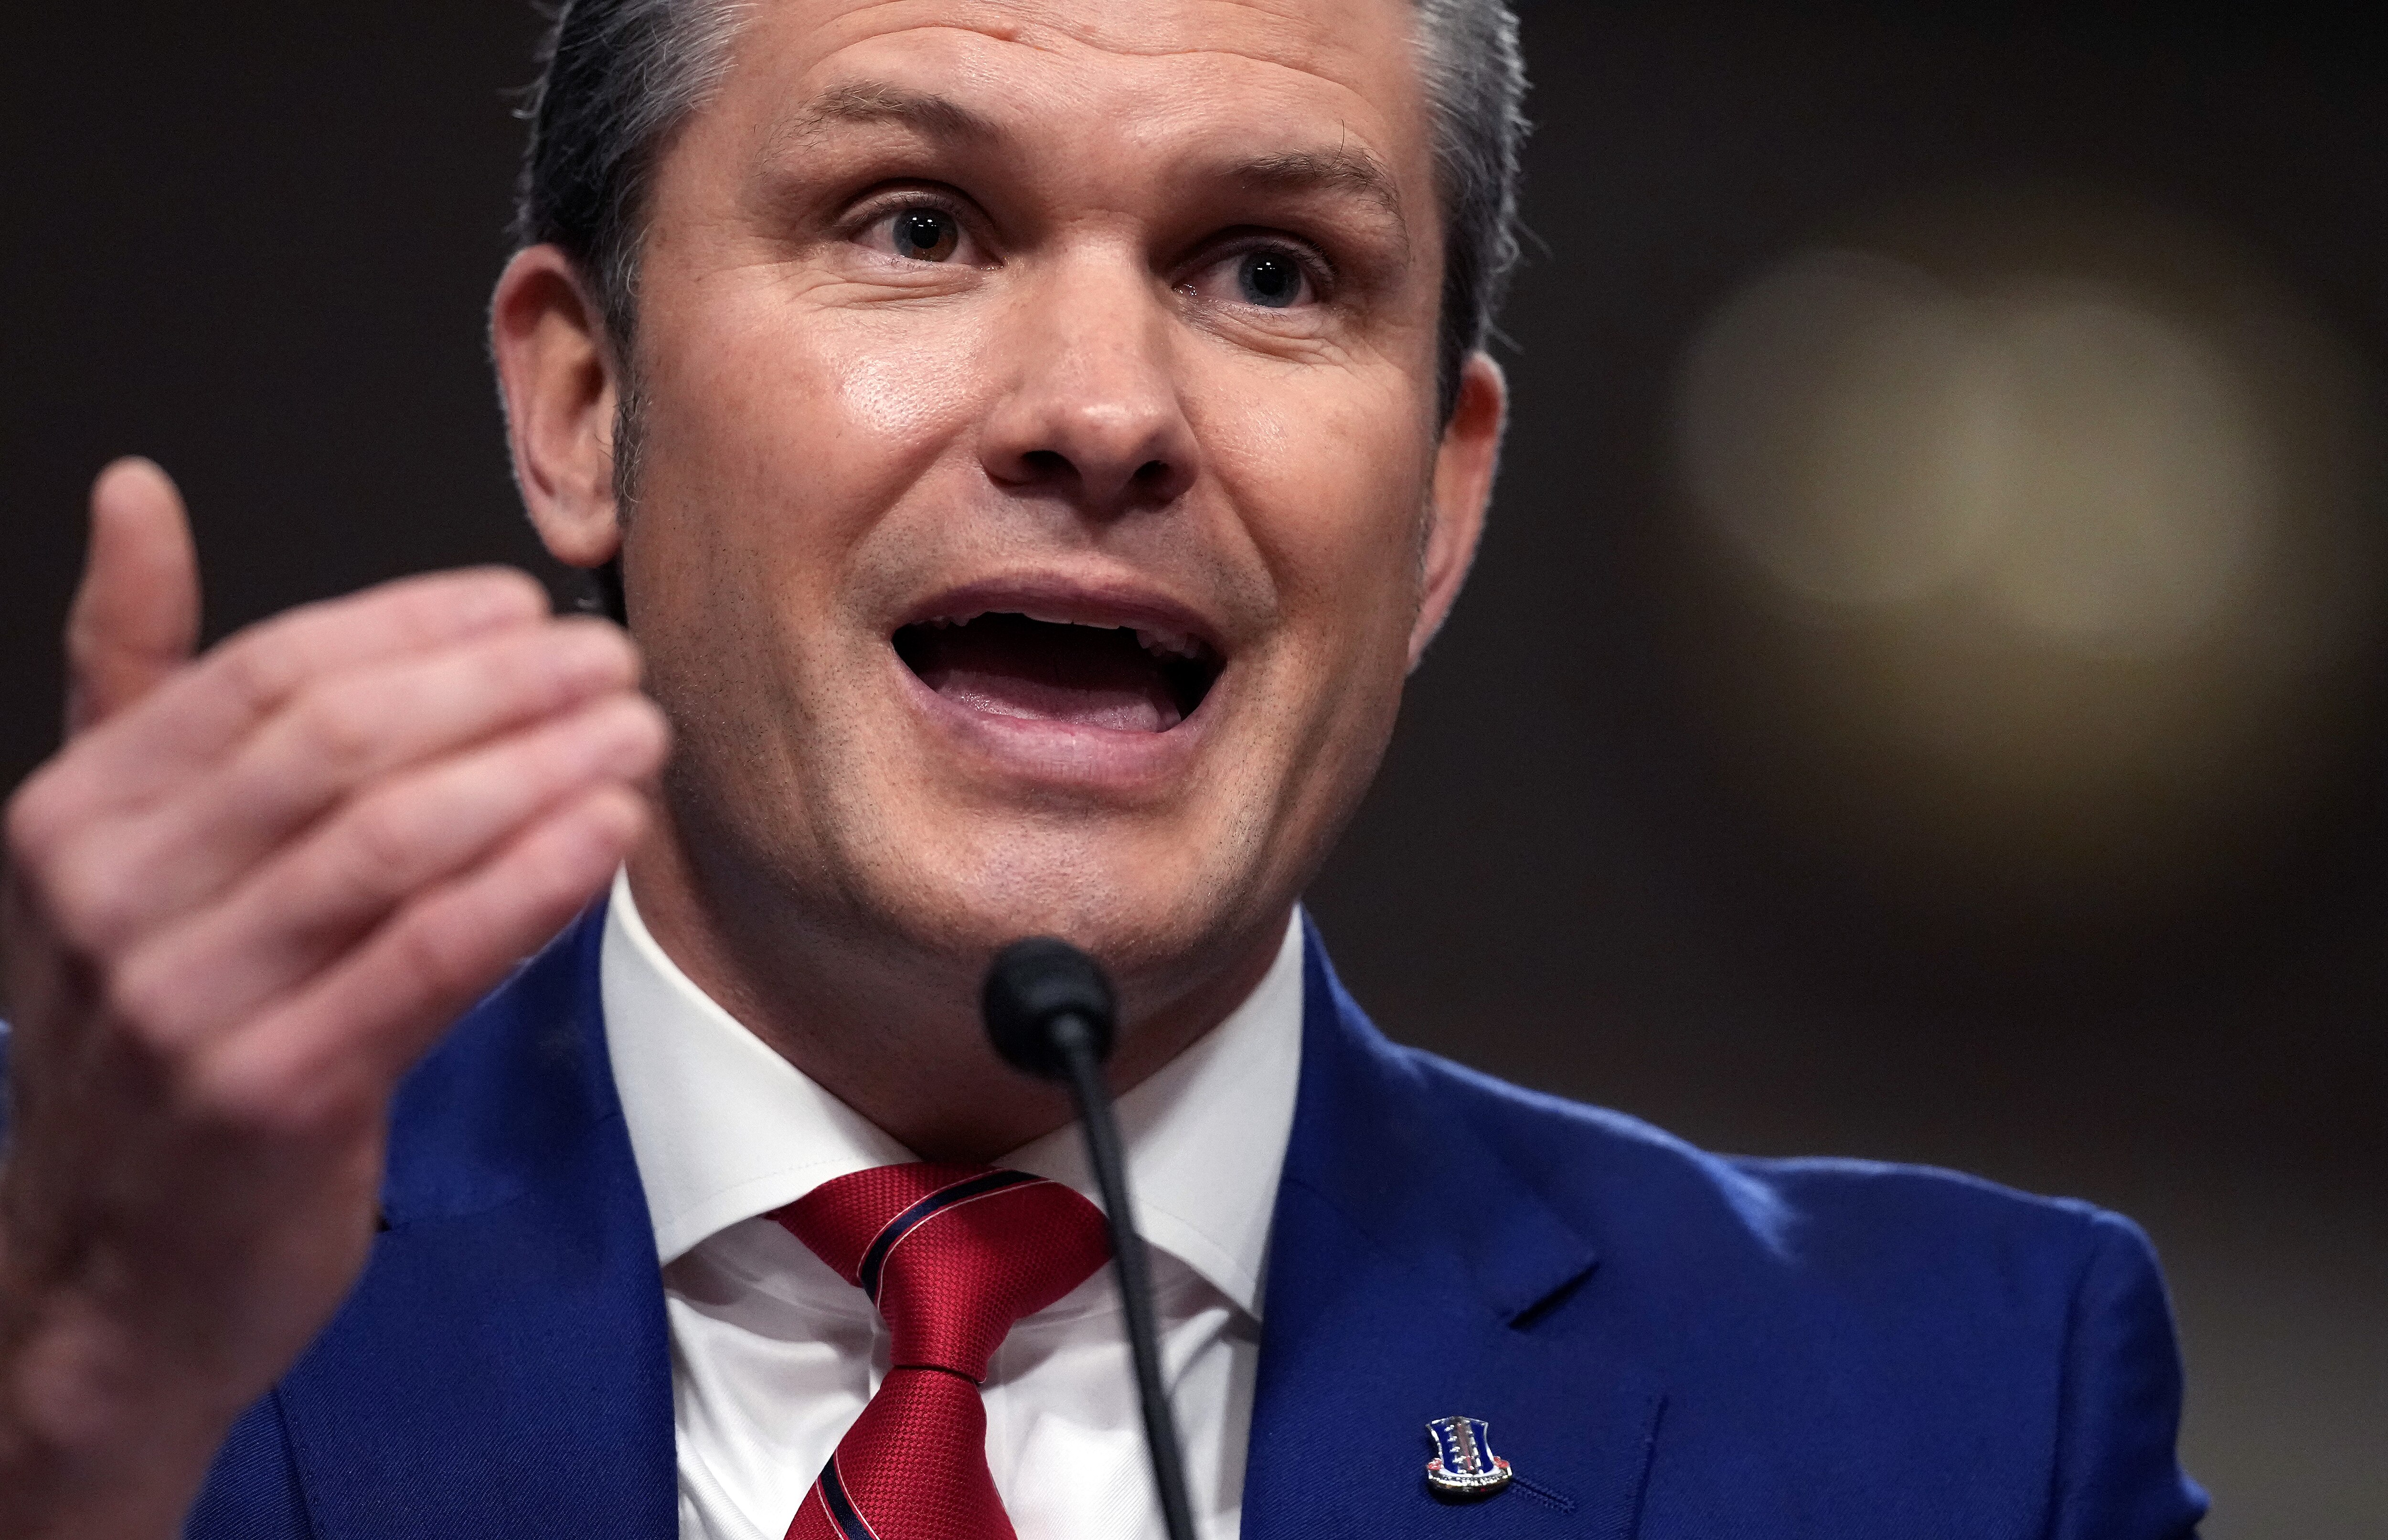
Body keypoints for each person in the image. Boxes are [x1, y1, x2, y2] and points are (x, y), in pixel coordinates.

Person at [0, 1, 2207, 1537]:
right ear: (588, 403)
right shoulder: (57, 1255)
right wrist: (85, 1422)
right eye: (916, 225)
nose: (1101, 409)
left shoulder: (1948, 1418)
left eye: (1267, 271)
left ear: (1436, 509)